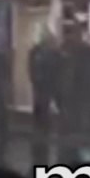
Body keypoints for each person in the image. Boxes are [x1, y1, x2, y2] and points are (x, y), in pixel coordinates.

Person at [28, 29, 62, 165]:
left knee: (44, 107)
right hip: (41, 84)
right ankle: (41, 130)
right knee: (40, 107)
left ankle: (44, 130)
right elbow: (31, 67)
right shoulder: (37, 52)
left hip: (48, 84)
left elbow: (57, 68)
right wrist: (35, 78)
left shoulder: (53, 53)